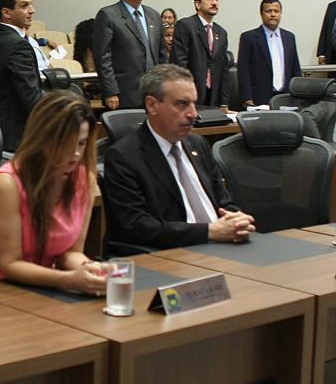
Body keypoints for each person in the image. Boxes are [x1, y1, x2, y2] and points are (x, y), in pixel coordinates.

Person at [0, 91, 106, 292]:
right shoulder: (6, 184)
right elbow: (9, 264)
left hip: (42, 290)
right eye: (64, 143)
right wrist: (68, 279)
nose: (75, 153)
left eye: (81, 143)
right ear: (41, 139)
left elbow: (71, 253)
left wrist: (91, 270)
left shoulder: (85, 179)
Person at [103, 64, 255, 248]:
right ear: (152, 105)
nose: (193, 114)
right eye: (182, 104)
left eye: (194, 103)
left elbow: (223, 202)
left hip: (222, 245)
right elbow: (136, 226)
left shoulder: (198, 144)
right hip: (174, 254)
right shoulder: (124, 157)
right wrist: (209, 232)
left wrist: (236, 219)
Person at [0, 0, 44, 151]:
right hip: (17, 134)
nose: (32, 10)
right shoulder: (18, 45)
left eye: (30, 4)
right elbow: (30, 95)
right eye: (24, 6)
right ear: (6, 13)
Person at [92, 0, 165, 110]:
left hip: (154, 93)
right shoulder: (108, 15)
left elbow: (162, 55)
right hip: (124, 94)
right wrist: (110, 91)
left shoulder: (154, 15)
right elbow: (102, 58)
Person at [236, 0, 301, 107]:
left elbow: (295, 68)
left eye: (276, 11)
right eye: (268, 11)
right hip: (258, 97)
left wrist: (298, 95)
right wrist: (247, 97)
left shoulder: (289, 37)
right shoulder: (249, 37)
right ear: (261, 14)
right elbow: (243, 70)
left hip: (286, 96)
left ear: (280, 13)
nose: (272, 14)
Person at [172, 0, 230, 108]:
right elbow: (179, 64)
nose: (214, 3)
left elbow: (223, 69)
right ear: (198, 4)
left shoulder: (221, 32)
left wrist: (224, 102)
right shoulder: (185, 25)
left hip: (213, 96)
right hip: (191, 93)